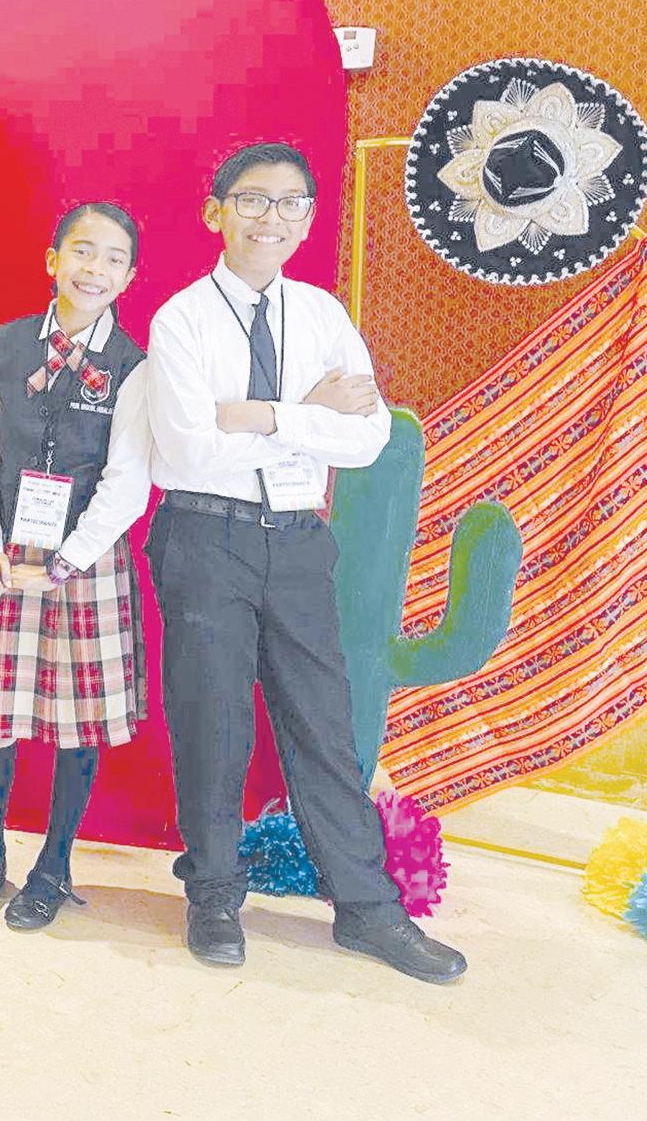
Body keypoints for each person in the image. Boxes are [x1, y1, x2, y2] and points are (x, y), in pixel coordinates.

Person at [145, 142, 466, 982]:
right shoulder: (181, 320)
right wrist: (308, 411)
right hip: (205, 537)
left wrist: (259, 413)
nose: (272, 218)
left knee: (323, 723)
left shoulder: (322, 315)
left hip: (295, 539)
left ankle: (366, 906)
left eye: (292, 203)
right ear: (217, 212)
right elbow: (189, 450)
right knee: (213, 721)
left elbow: (365, 437)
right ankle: (213, 891)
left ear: (309, 219)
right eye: (253, 200)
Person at [0, 201, 151, 930]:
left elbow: (129, 480)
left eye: (113, 259)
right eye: (83, 251)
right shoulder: (5, 345)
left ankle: (53, 864)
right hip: (9, 554)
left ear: (129, 277)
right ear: (53, 259)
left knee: (79, 721)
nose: (95, 269)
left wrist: (68, 560)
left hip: (86, 558)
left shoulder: (132, 365)